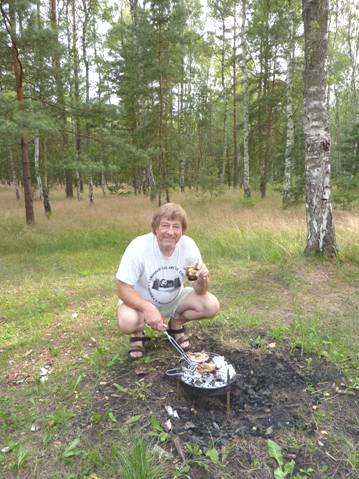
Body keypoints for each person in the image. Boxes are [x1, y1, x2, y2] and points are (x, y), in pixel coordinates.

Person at [116, 202, 220, 359]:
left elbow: (200, 290)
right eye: (165, 225)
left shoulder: (188, 247)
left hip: (174, 299)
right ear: (156, 228)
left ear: (182, 231)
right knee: (127, 321)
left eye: (176, 227)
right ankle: (137, 333)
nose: (170, 232)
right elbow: (123, 288)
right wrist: (147, 308)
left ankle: (176, 323)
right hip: (141, 301)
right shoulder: (138, 247)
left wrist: (203, 279)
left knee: (211, 305)